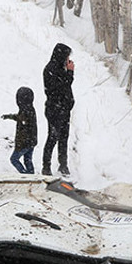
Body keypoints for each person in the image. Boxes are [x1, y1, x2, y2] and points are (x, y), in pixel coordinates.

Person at [42, 43, 75, 176]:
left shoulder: (60, 68)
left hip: (64, 108)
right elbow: (62, 87)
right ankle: (46, 166)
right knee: (53, 137)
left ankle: (63, 165)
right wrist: (70, 72)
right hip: (55, 109)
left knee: (64, 138)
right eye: (66, 56)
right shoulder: (51, 69)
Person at [1, 87, 38, 174]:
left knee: (14, 159)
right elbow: (20, 118)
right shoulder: (30, 109)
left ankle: (25, 174)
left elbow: (21, 119)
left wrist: (20, 144)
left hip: (24, 143)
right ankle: (31, 176)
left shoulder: (26, 110)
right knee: (28, 160)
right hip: (31, 141)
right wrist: (9, 116)